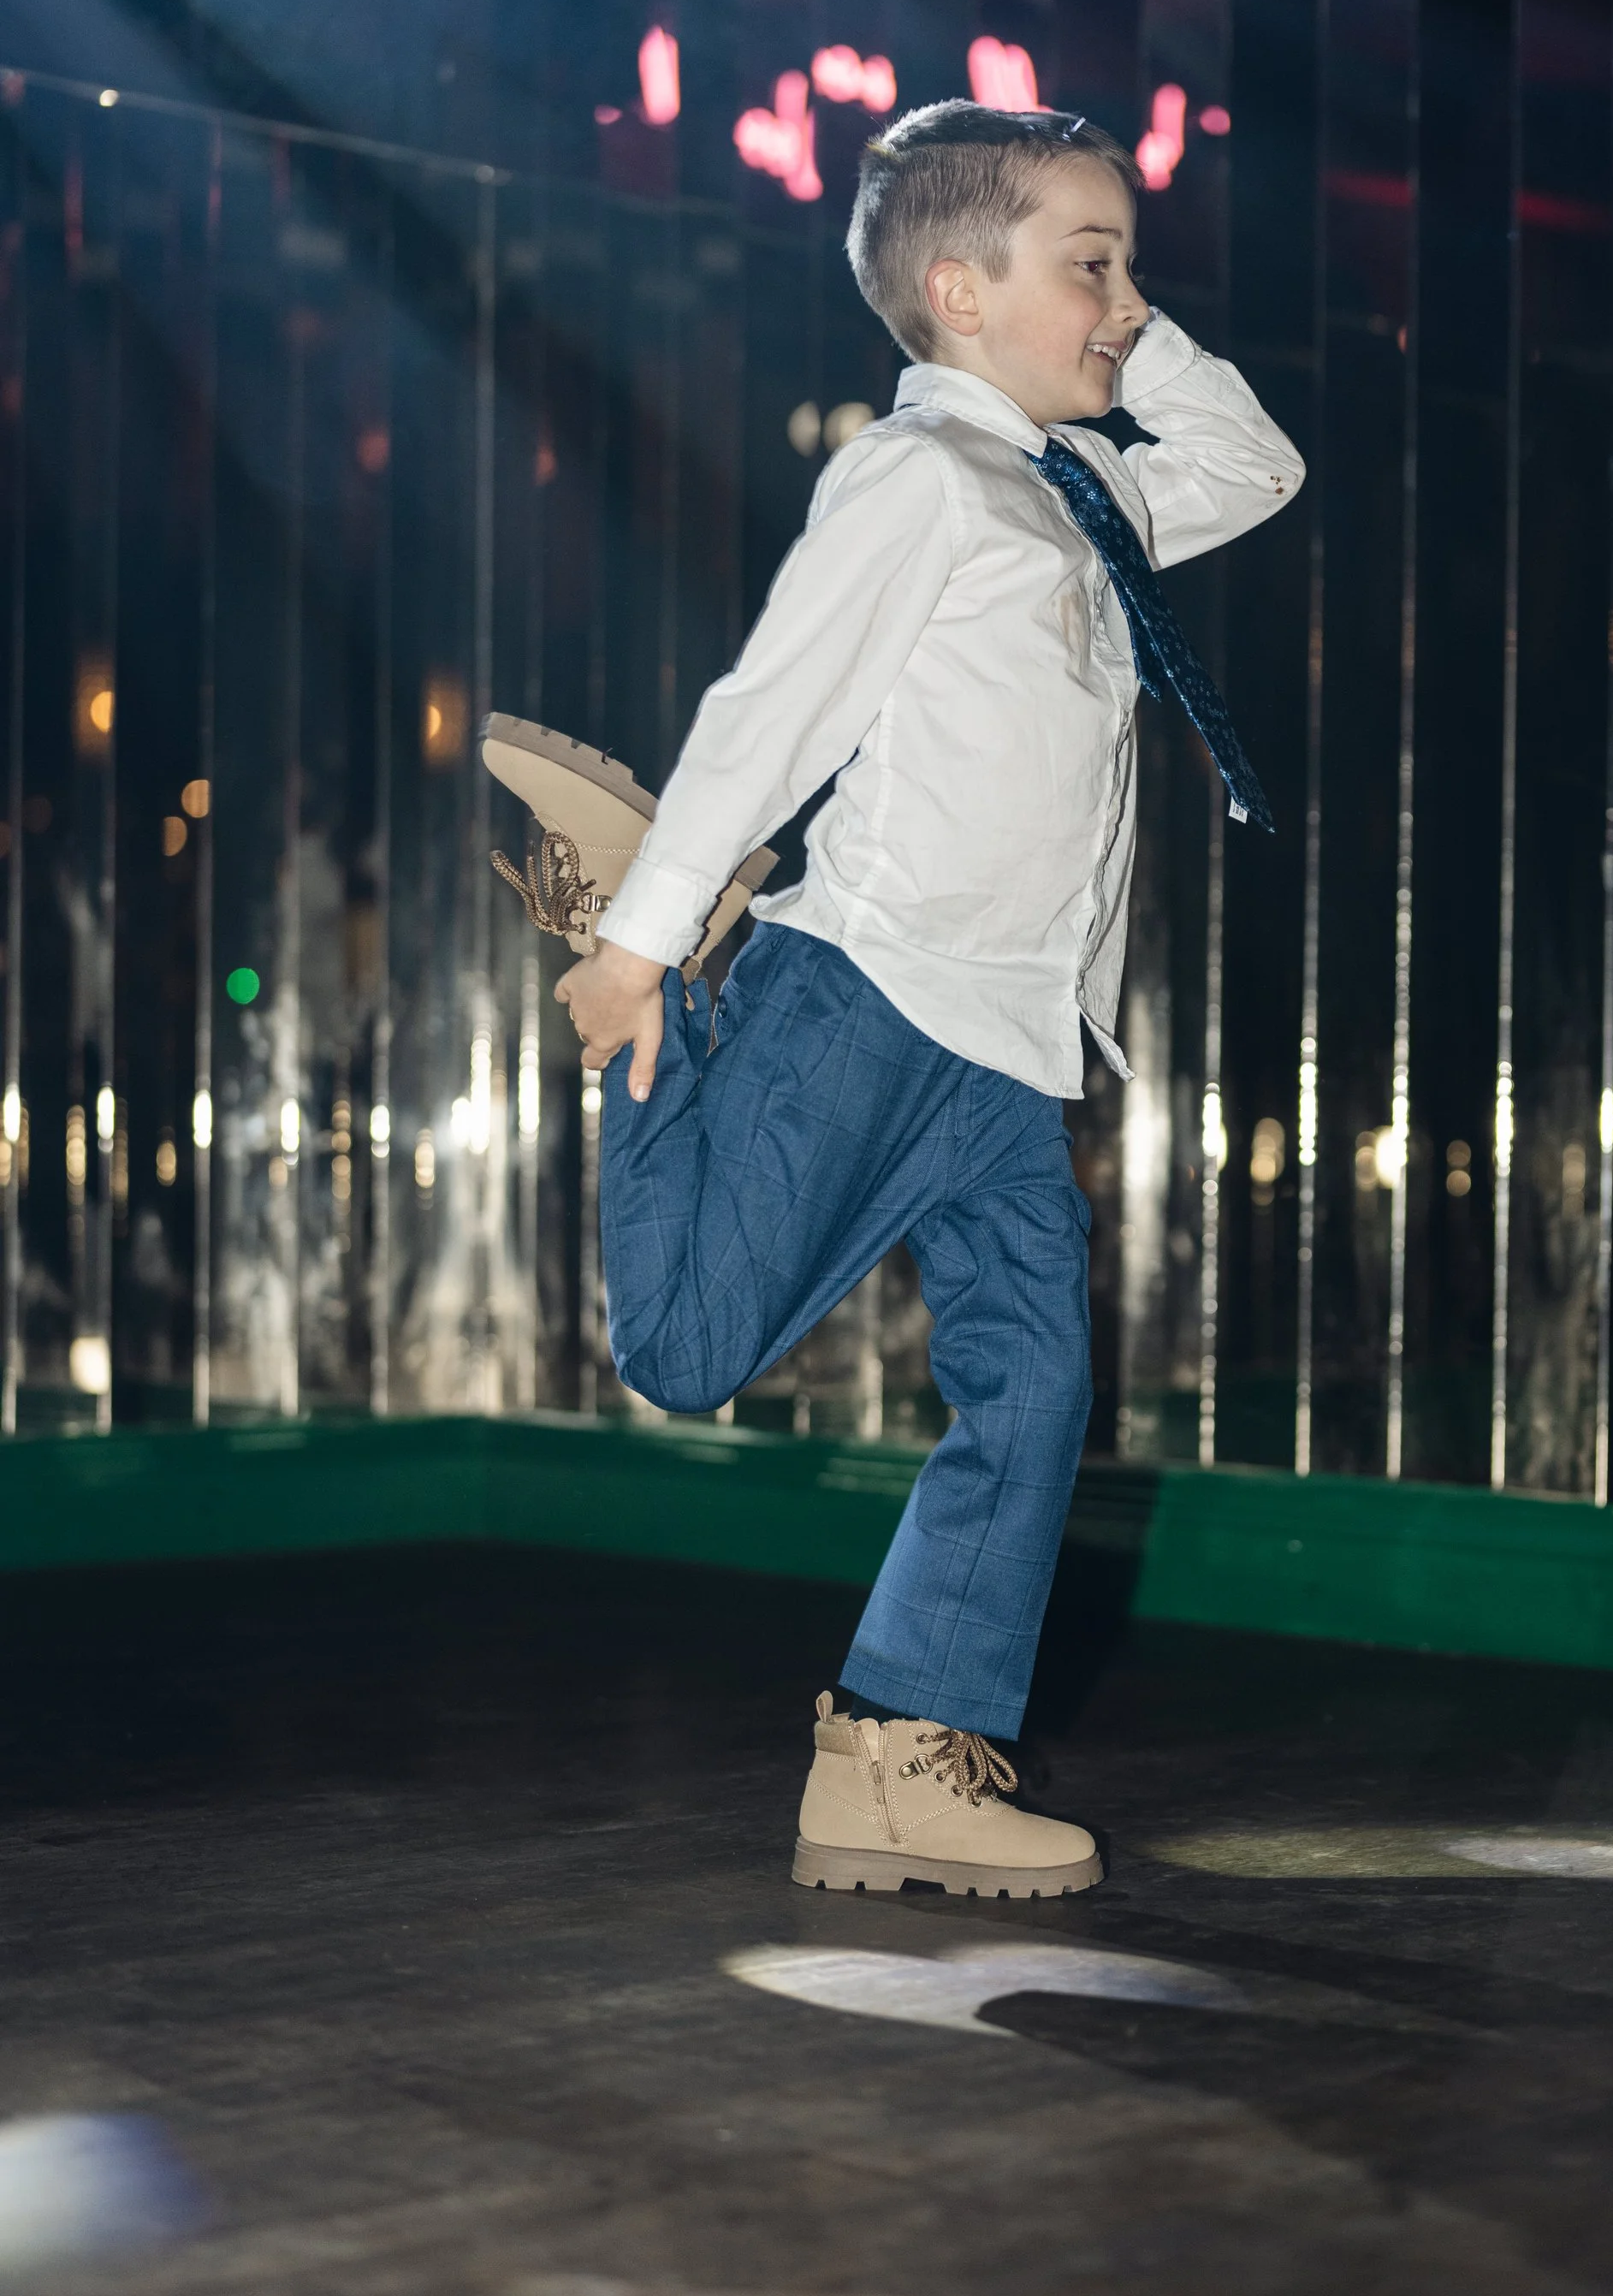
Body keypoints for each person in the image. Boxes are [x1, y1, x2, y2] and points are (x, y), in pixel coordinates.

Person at [488, 98, 1303, 1897]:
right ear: (955, 290)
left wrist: (1134, 328)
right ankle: (685, 991)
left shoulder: (1078, 498)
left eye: (1129, 265)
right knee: (688, 1352)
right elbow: (772, 712)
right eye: (1091, 265)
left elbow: (1253, 467)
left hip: (1012, 1044)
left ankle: (896, 1757)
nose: (1121, 298)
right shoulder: (916, 479)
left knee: (1030, 1397)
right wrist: (635, 950)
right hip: (867, 986)